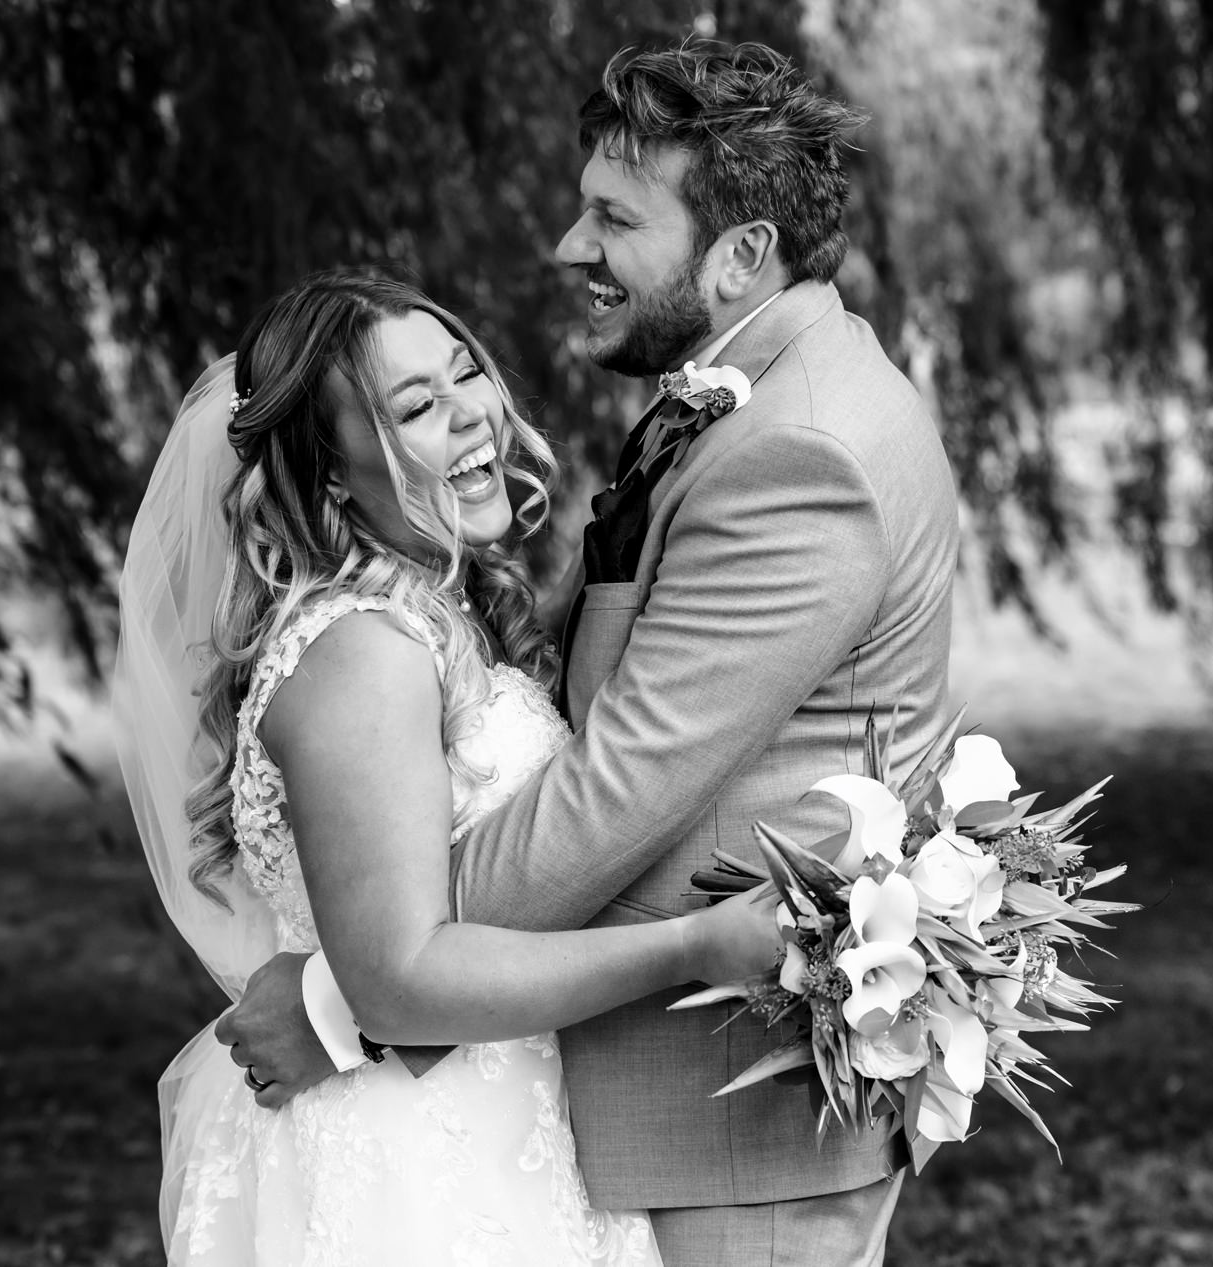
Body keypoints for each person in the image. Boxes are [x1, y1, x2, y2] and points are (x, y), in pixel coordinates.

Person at [222, 40, 962, 1267]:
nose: (570, 247)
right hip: (607, 1122)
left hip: (731, 1125)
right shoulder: (737, 402)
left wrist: (352, 992)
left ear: (739, 255)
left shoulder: (802, 449)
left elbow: (618, 786)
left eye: (614, 217)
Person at [112, 269, 784, 1265]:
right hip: (409, 1163)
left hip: (500, 1117)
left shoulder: (446, 610)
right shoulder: (363, 653)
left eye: (465, 373)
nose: (473, 414)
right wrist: (691, 947)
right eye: (417, 406)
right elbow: (398, 981)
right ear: (330, 470)